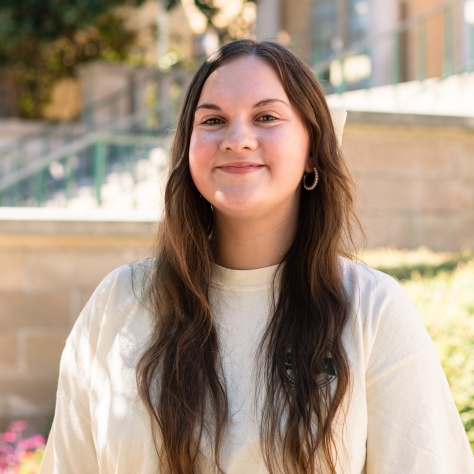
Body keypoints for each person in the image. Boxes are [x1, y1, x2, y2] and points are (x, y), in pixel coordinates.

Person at [39, 39, 473, 474]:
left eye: (266, 117)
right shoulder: (119, 301)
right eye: (213, 120)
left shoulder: (371, 308)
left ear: (313, 150)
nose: (237, 139)